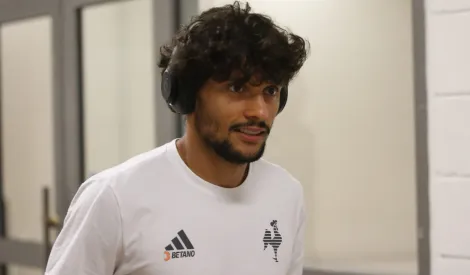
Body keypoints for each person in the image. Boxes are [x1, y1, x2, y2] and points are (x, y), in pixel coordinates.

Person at [45, 1, 309, 274]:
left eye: (270, 91)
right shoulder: (114, 198)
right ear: (186, 95)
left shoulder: (286, 194)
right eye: (236, 87)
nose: (259, 111)